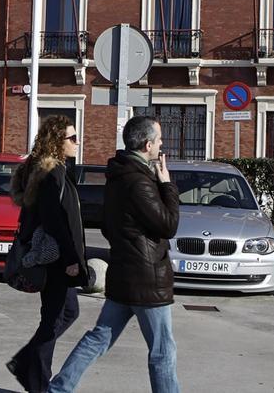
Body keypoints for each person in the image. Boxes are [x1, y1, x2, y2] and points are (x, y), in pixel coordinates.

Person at [49, 116, 181, 393]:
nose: (161, 146)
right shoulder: (140, 183)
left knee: (99, 337)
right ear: (147, 145)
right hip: (148, 280)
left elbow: (109, 226)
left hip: (123, 273)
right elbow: (168, 225)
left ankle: (59, 388)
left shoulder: (118, 176)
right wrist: (167, 184)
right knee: (162, 351)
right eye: (158, 141)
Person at [7, 115, 87, 392]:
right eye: (72, 138)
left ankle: (28, 365)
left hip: (54, 257)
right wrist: (71, 259)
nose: (78, 142)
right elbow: (55, 222)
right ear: (57, 142)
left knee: (65, 312)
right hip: (53, 258)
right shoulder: (52, 173)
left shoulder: (50, 170)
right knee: (55, 317)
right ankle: (36, 380)